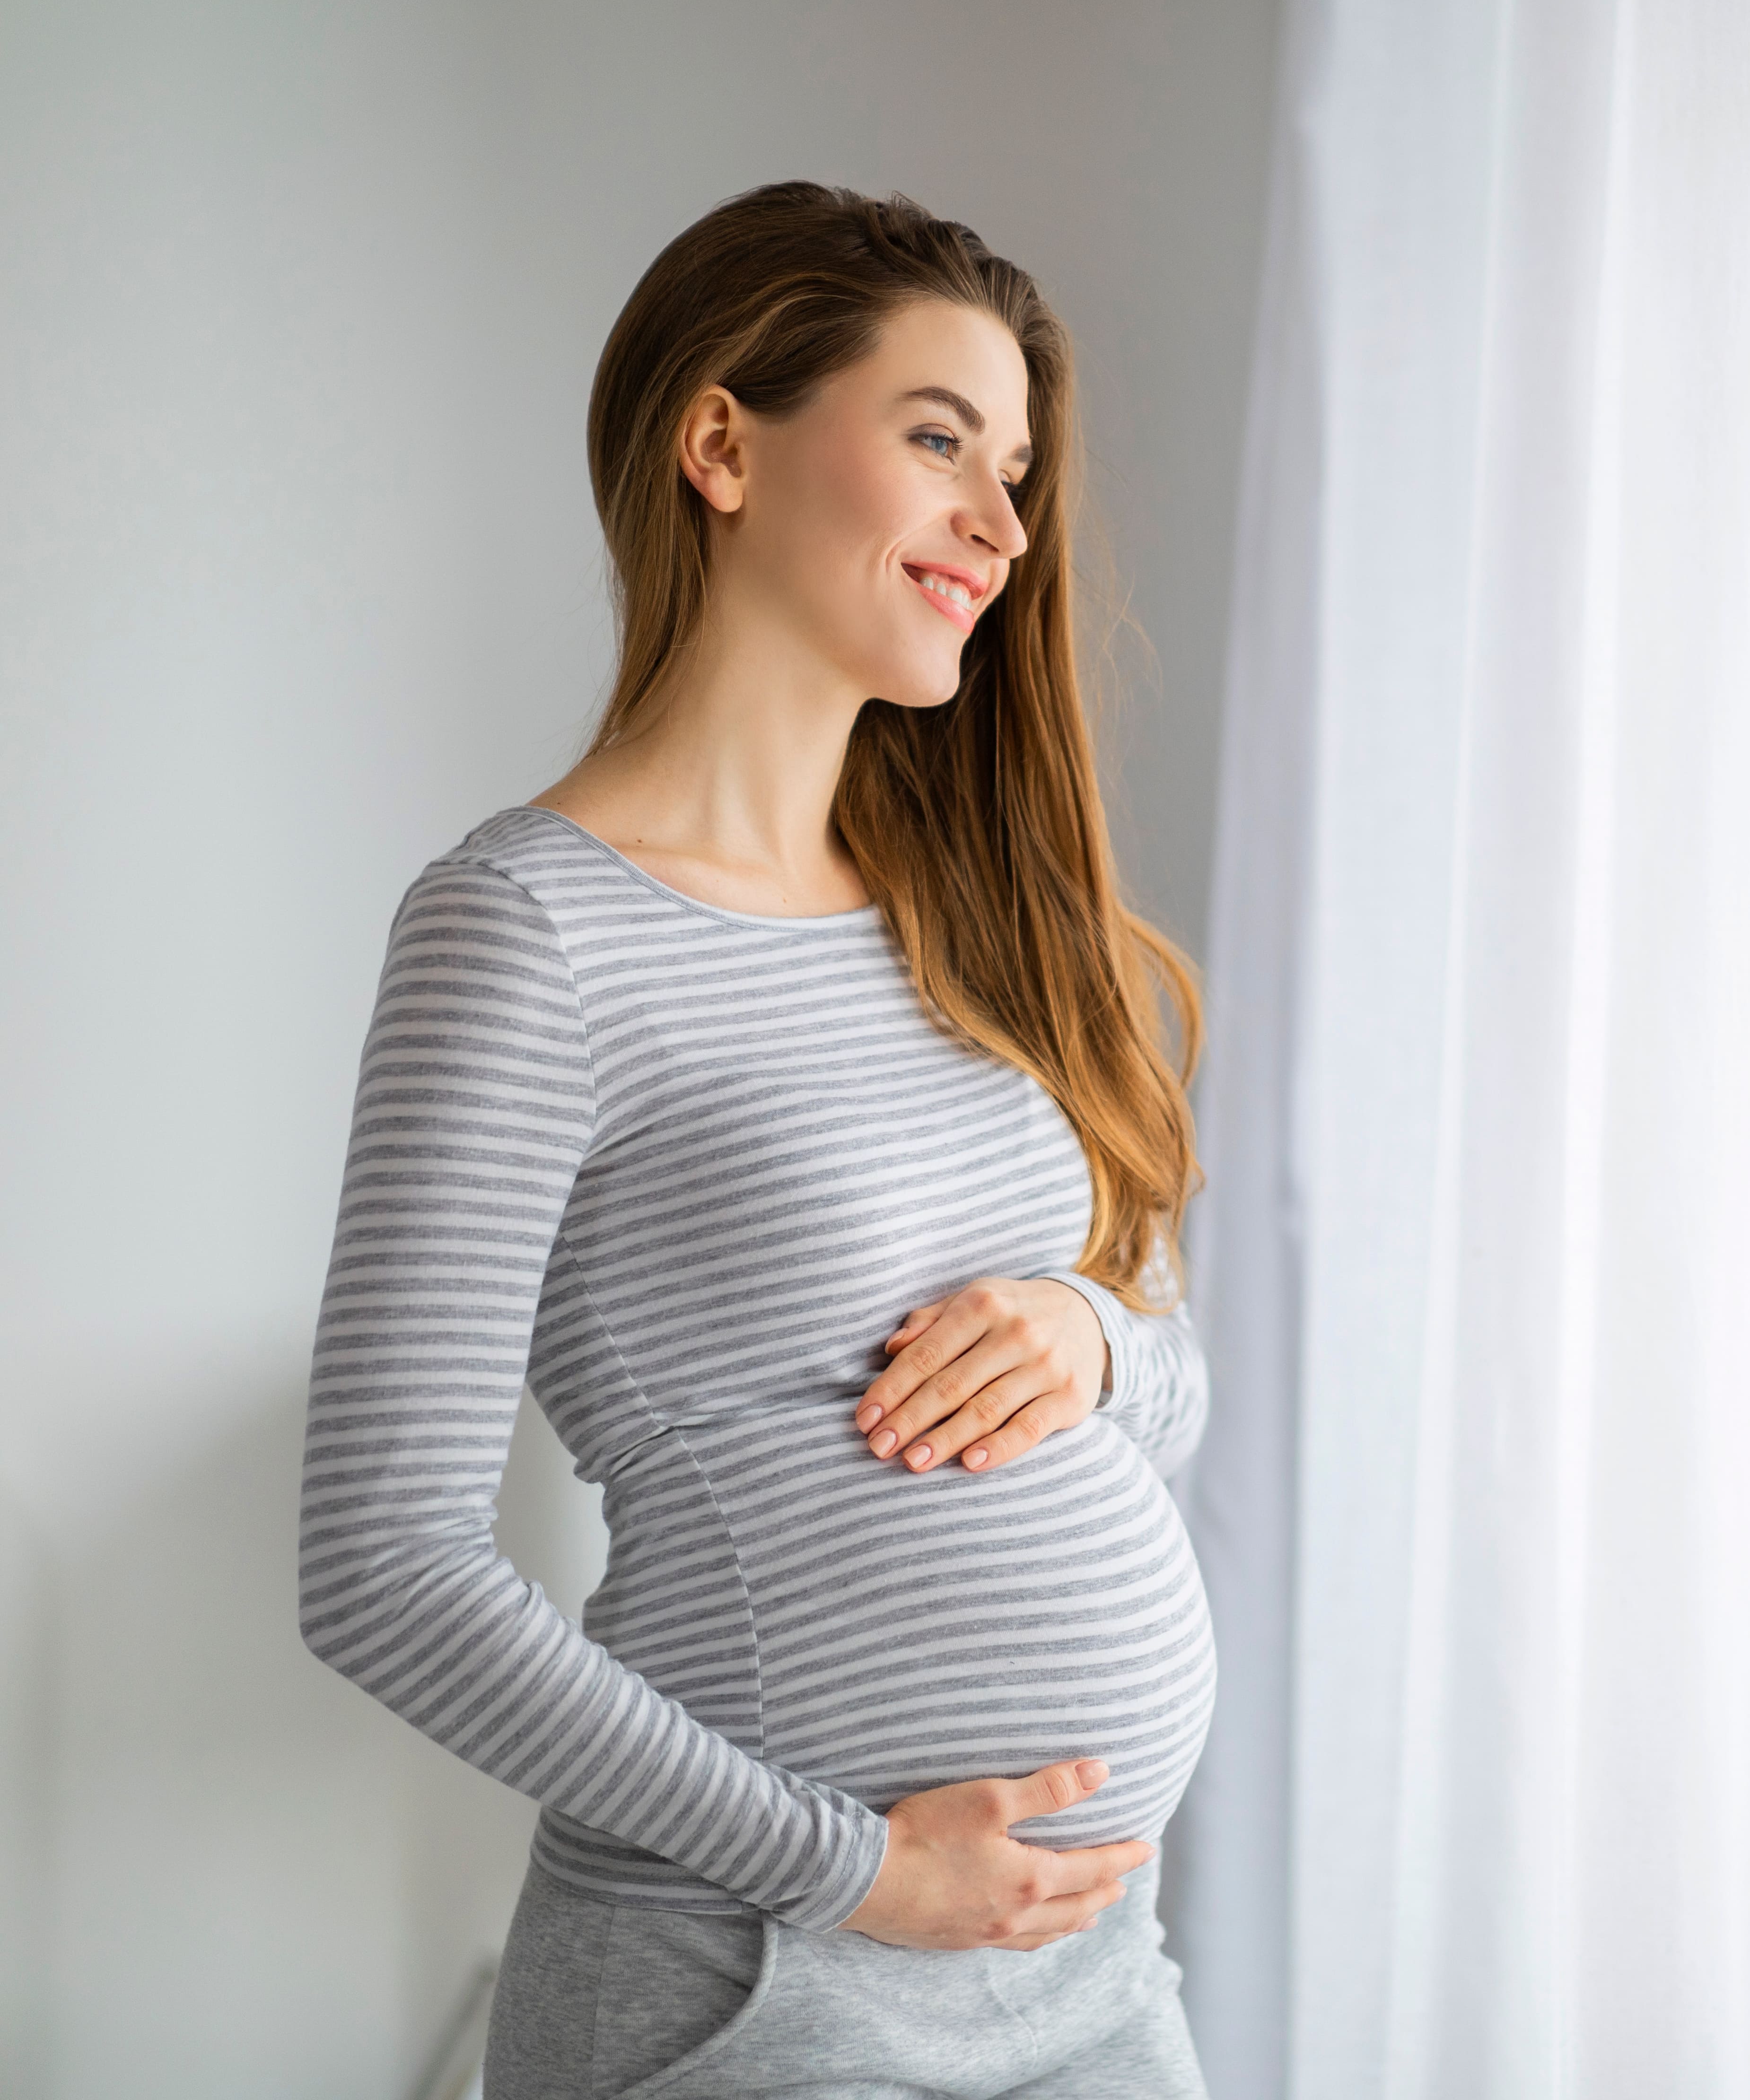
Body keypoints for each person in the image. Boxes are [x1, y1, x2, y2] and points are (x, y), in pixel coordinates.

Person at [297, 181, 1215, 2098]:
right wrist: (857, 1867)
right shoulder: (529, 928)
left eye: (1019, 468)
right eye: (940, 439)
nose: (1003, 524)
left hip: (1097, 1966)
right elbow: (381, 1566)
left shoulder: (972, 911)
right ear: (724, 442)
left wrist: (1095, 1336)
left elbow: (1169, 1383)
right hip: (761, 1979)